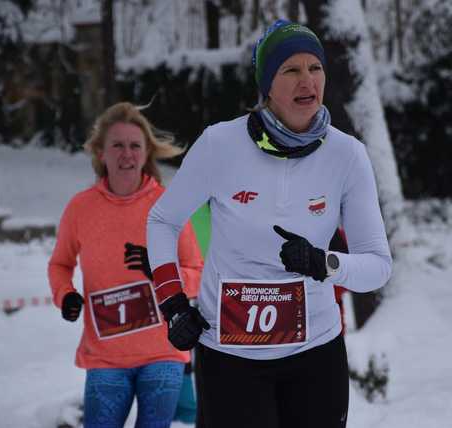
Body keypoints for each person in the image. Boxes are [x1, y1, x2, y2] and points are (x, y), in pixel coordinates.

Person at [146, 19, 392, 428]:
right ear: (267, 84)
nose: (306, 81)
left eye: (315, 68)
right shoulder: (220, 144)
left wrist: (322, 263)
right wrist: (172, 303)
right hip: (229, 356)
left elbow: (377, 266)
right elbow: (162, 220)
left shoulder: (347, 155)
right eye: (290, 70)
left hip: (315, 353)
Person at [48, 102, 203, 427]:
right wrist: (66, 295)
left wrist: (159, 274)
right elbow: (60, 264)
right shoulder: (81, 208)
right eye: (117, 145)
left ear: (146, 154)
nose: (126, 154)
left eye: (135, 146)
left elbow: (198, 272)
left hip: (163, 353)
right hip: (105, 357)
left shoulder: (167, 205)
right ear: (101, 153)